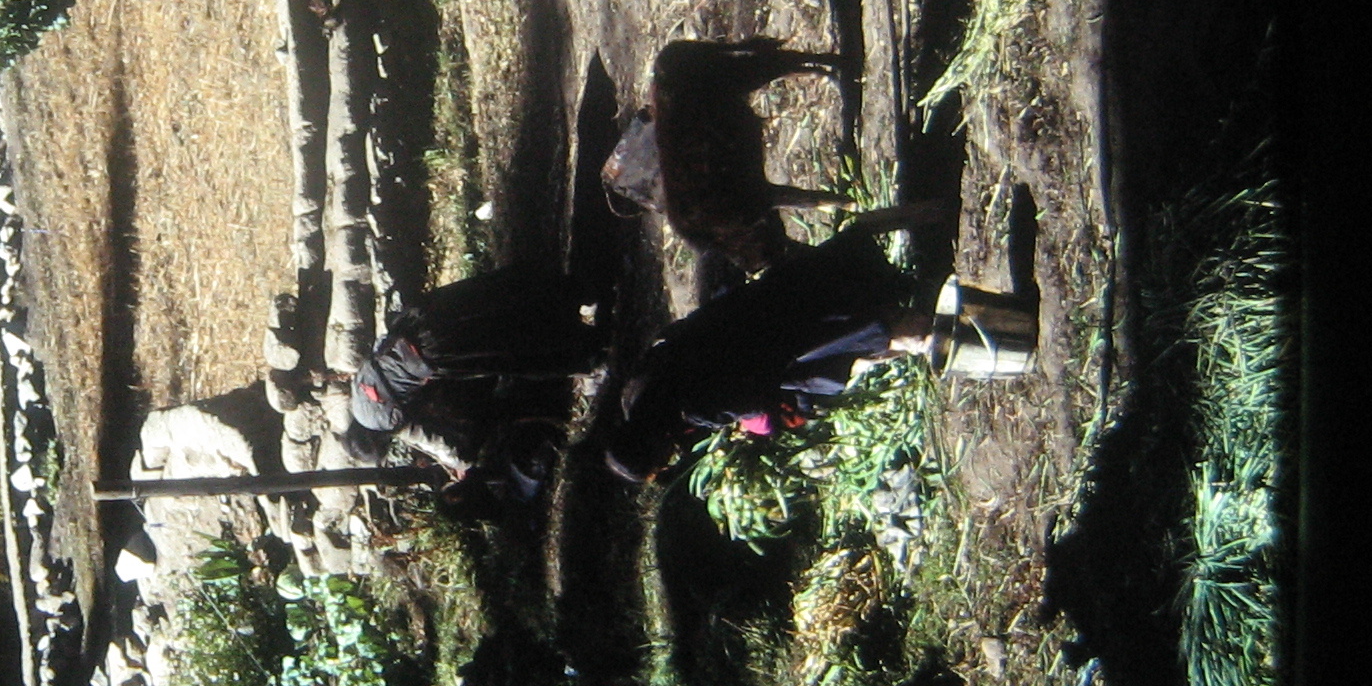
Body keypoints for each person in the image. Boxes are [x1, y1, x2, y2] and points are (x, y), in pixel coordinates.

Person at [601, 207, 945, 486]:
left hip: (781, 338)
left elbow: (753, 394)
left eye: (661, 461)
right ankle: (929, 212)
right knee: (837, 263)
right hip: (747, 305)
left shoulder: (693, 409)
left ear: (653, 446)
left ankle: (934, 331)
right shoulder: (637, 391)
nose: (669, 459)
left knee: (871, 335)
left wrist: (756, 421)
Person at [350, 264, 605, 506]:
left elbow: (433, 441)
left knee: (512, 350)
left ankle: (590, 355)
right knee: (494, 301)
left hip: (434, 350)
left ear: (377, 441)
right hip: (417, 319)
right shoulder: (358, 386)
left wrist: (462, 465)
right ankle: (577, 292)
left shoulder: (384, 422)